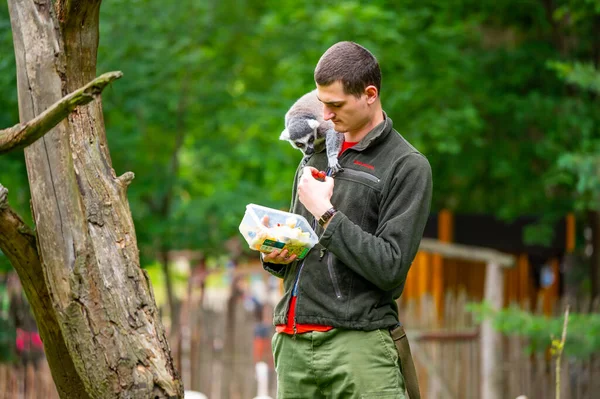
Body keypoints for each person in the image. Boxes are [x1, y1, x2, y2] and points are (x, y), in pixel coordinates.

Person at [262, 41, 432, 398]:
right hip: (292, 343)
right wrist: (274, 253)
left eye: (336, 105)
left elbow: (390, 267)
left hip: (358, 346)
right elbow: (304, 247)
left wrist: (326, 213)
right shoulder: (315, 155)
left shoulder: (406, 166)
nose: (325, 115)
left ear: (369, 94)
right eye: (322, 102)